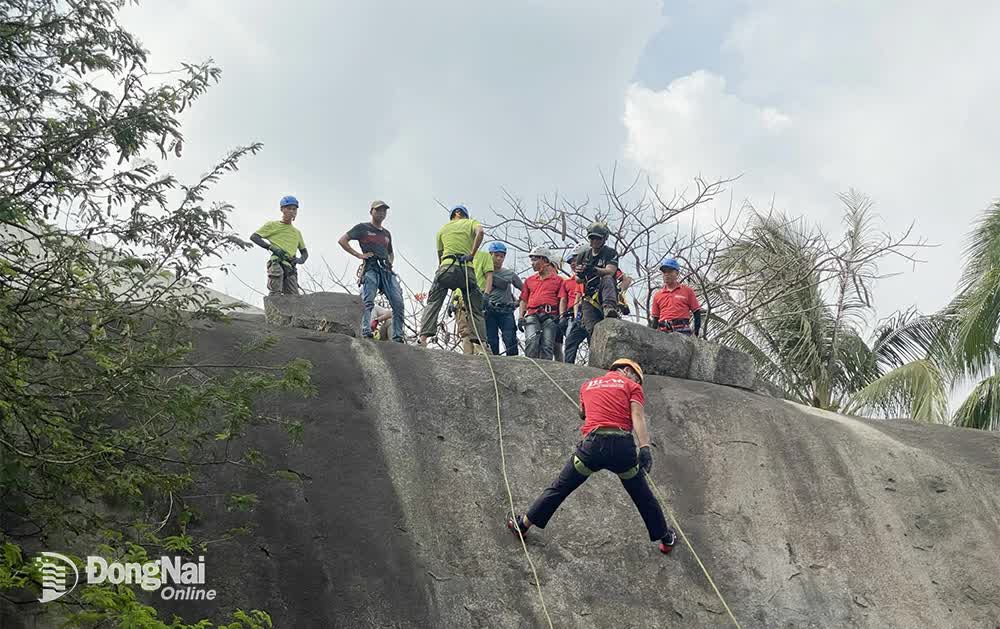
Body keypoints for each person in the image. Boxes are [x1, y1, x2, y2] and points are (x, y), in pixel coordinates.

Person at [505, 358, 677, 554]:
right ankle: (666, 538)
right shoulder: (631, 386)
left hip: (592, 448)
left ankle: (523, 525)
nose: (638, 383)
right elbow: (637, 416)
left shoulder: (587, 385)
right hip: (622, 449)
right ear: (628, 371)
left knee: (560, 486)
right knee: (642, 495)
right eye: (638, 378)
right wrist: (645, 448)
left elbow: (582, 413)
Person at [418, 205, 488, 350]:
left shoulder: (442, 229)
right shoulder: (471, 223)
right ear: (464, 214)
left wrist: (443, 271)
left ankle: (422, 339)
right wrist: (472, 254)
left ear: (453, 214)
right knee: (475, 308)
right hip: (466, 270)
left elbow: (440, 256)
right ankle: (481, 345)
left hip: (446, 267)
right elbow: (480, 232)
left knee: (433, 302)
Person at [338, 200, 406, 342]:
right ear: (371, 212)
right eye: (378, 210)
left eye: (384, 211)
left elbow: (391, 253)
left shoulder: (387, 233)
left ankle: (398, 337)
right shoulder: (363, 228)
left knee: (398, 302)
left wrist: (390, 264)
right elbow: (343, 240)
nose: (381, 213)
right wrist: (359, 255)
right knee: (368, 300)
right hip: (371, 267)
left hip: (386, 271)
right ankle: (365, 330)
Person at [250, 195, 308, 296]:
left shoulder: (297, 233)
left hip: (290, 267)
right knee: (276, 288)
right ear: (282, 209)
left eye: (294, 209)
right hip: (277, 262)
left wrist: (299, 260)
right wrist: (271, 248)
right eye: (288, 208)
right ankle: (273, 309)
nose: (291, 211)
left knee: (294, 298)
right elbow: (254, 237)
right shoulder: (272, 225)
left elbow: (304, 253)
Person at [518, 246, 566, 360]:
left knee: (547, 345)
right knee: (531, 341)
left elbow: (562, 299)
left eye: (535, 260)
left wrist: (562, 316)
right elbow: (524, 299)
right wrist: (520, 316)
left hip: (551, 315)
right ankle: (530, 367)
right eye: (532, 260)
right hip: (532, 314)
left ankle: (546, 370)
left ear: (545, 260)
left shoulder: (559, 281)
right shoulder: (530, 280)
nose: (532, 263)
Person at [574, 221, 620, 337]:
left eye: (598, 238)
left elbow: (610, 271)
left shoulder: (610, 253)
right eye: (592, 238)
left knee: (607, 278)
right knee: (592, 331)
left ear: (604, 239)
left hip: (605, 290)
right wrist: (581, 273)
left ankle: (609, 308)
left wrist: (594, 269)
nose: (594, 241)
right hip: (589, 297)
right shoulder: (582, 256)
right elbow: (578, 280)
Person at [483, 242, 522, 356]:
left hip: (506, 311)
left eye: (502, 256)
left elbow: (525, 290)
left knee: (510, 339)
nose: (499, 258)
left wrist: (518, 302)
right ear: (490, 255)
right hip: (490, 310)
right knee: (492, 341)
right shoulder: (483, 272)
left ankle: (514, 365)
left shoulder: (509, 274)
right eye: (496, 255)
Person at [452, 249, 494, 354]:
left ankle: (480, 353)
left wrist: (486, 294)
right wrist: (452, 301)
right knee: (464, 331)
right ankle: (468, 356)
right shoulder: (460, 256)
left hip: (475, 294)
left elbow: (489, 276)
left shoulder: (484, 256)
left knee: (477, 328)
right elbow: (456, 282)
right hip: (460, 299)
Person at [650, 258, 702, 336]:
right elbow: (655, 318)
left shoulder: (687, 291)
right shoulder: (658, 295)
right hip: (663, 331)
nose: (666, 274)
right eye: (664, 272)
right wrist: (652, 335)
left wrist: (696, 332)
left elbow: (696, 312)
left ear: (677, 273)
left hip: (682, 330)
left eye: (670, 271)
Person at [562, 247, 589, 364]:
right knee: (570, 341)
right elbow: (577, 299)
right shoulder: (578, 279)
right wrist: (577, 315)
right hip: (582, 314)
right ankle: (568, 367)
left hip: (595, 313)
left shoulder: (597, 272)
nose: (574, 264)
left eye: (576, 260)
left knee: (594, 342)